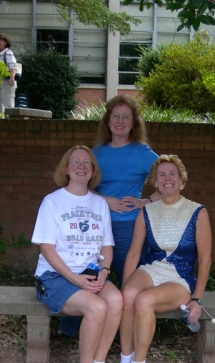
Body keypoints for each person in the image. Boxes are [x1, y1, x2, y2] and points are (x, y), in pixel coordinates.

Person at [58, 94, 159, 337]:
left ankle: (126, 334)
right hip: (94, 226)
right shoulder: (98, 152)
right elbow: (83, 186)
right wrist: (106, 201)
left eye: (126, 117)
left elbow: (170, 178)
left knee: (127, 280)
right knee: (89, 273)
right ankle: (72, 329)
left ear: (134, 123)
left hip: (127, 228)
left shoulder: (142, 153)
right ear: (108, 121)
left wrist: (145, 202)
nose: (120, 121)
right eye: (116, 116)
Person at [115, 154, 212, 363]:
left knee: (144, 301)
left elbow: (205, 259)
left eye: (172, 174)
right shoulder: (147, 211)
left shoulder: (197, 212)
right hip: (151, 269)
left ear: (181, 180)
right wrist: (125, 288)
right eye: (162, 175)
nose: (167, 179)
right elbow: (134, 252)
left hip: (179, 277)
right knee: (128, 295)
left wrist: (197, 299)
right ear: (155, 183)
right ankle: (125, 362)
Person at [31, 146, 123, 363]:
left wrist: (104, 270)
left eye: (87, 163)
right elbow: (46, 248)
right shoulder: (53, 201)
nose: (81, 166)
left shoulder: (99, 203)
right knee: (96, 307)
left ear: (93, 170)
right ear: (67, 168)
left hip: (90, 273)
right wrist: (75, 280)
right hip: (53, 277)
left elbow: (106, 245)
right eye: (75, 162)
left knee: (116, 301)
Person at [0, 33, 17, 114]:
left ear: (5, 42)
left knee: (9, 107)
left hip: (7, 83)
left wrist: (12, 77)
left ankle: (12, 125)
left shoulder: (8, 53)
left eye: (0, 40)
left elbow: (13, 66)